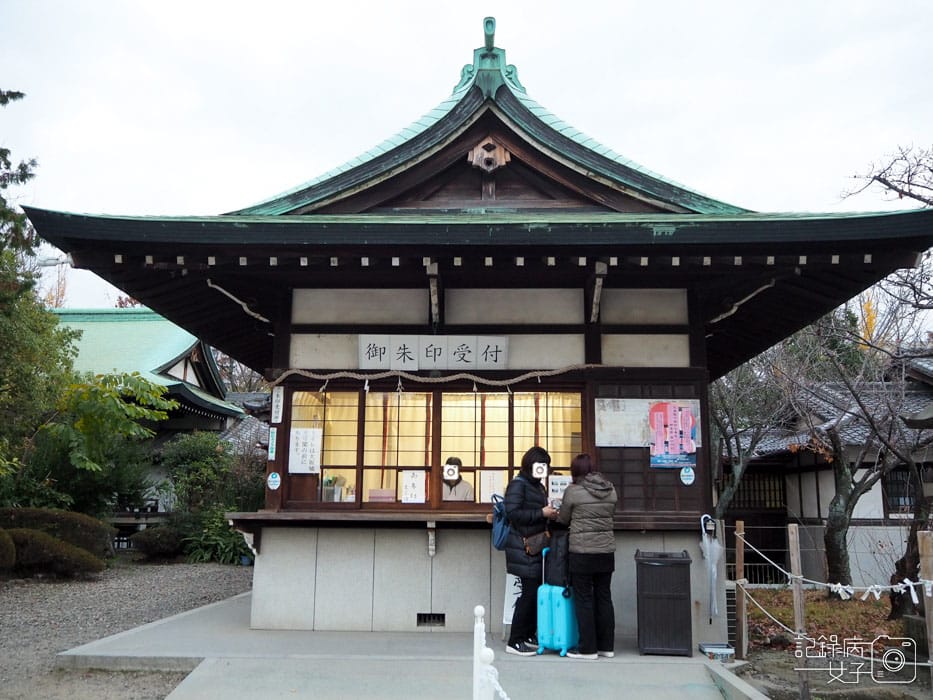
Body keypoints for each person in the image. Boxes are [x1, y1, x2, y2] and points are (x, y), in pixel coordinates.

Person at [557, 452, 618, 660]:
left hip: (582, 553)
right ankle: (606, 647)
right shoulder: (611, 490)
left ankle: (588, 649)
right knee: (604, 597)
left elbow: (563, 519)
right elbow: (611, 514)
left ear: (576, 471)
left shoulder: (573, 492)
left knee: (584, 599)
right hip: (606, 552)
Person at [503, 445, 558, 656]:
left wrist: (547, 513)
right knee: (528, 594)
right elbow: (513, 513)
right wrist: (541, 513)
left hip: (535, 546)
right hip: (523, 546)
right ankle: (515, 640)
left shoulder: (536, 486)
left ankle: (526, 635)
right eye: (541, 466)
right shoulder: (519, 485)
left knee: (533, 592)